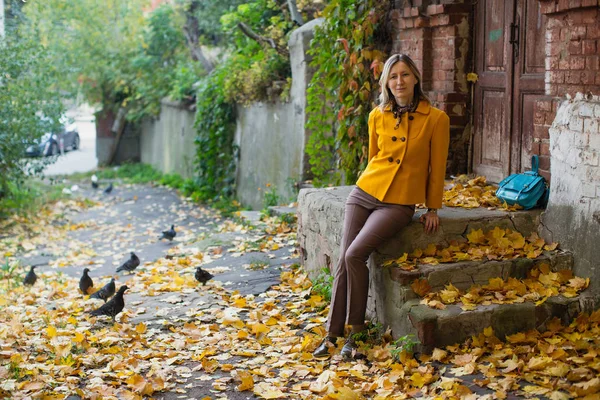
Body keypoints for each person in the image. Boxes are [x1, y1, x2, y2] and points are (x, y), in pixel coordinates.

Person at [313, 54, 450, 360]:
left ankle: (356, 335)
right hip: (365, 192)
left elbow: (437, 167)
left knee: (354, 254)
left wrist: (432, 207)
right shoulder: (377, 115)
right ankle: (333, 335)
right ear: (386, 83)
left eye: (404, 75)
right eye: (392, 77)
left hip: (399, 202)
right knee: (343, 260)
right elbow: (374, 157)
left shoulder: (436, 119)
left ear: (415, 78)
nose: (399, 81)